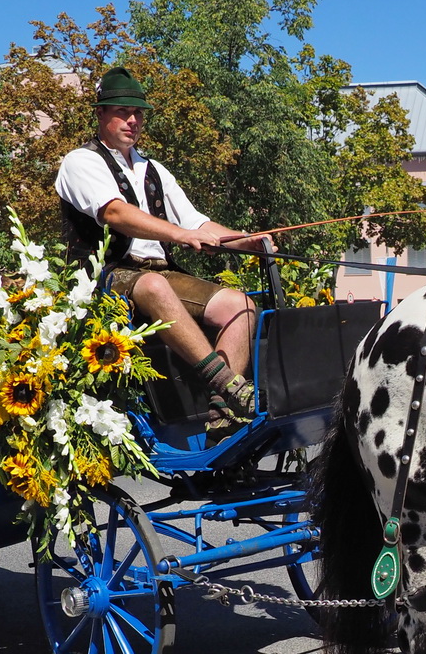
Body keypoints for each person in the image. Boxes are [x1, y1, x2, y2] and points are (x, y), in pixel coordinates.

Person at [54, 66, 272, 437]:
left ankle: (221, 416)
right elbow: (114, 213)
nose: (133, 120)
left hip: (159, 274)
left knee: (241, 306)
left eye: (138, 113)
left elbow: (198, 223)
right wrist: (179, 235)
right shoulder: (81, 161)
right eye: (123, 111)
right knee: (155, 285)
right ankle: (229, 386)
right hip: (104, 275)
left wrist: (245, 241)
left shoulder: (153, 169)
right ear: (101, 114)